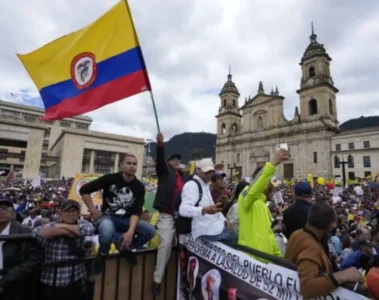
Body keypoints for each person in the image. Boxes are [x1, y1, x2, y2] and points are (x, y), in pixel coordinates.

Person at [79, 153, 155, 274]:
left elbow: (136, 211)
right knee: (107, 229)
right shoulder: (110, 179)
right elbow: (84, 190)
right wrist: (93, 210)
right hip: (108, 217)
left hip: (128, 219)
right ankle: (102, 254)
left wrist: (130, 232)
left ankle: (124, 247)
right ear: (121, 165)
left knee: (150, 230)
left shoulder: (139, 187)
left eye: (134, 164)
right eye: (128, 163)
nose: (132, 166)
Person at [286, 202, 362, 298]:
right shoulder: (311, 248)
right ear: (330, 226)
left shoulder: (297, 234)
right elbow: (306, 288)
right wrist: (343, 276)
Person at [33, 200, 95, 300]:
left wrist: (60, 227)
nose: (71, 214)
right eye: (67, 211)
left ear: (78, 213)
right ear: (61, 212)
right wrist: (69, 231)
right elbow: (37, 233)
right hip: (52, 280)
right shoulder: (52, 224)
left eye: (74, 211)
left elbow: (89, 230)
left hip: (75, 279)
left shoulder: (83, 223)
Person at [151, 132, 189, 296]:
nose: (177, 162)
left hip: (182, 216)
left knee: (188, 244)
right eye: (174, 160)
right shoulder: (164, 172)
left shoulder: (184, 176)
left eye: (178, 160)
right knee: (166, 245)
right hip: (167, 215)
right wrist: (160, 145)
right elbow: (160, 161)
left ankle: (186, 277)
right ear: (168, 163)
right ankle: (157, 279)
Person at [238, 149, 288, 257]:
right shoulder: (246, 197)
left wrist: (278, 257)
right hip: (251, 258)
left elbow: (268, 234)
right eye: (269, 182)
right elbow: (254, 189)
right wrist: (272, 164)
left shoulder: (262, 204)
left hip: (265, 261)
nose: (272, 187)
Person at [179, 158, 237, 243]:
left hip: (213, 227)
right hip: (206, 229)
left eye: (211, 172)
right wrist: (204, 210)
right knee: (235, 238)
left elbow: (213, 207)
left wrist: (224, 220)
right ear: (198, 170)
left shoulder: (205, 186)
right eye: (206, 172)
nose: (209, 174)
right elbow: (183, 209)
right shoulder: (192, 185)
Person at [0, 196, 44, 300]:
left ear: (13, 213)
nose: (2, 211)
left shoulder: (25, 232)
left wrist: (6, 279)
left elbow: (35, 256)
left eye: (6, 208)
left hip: (15, 286)